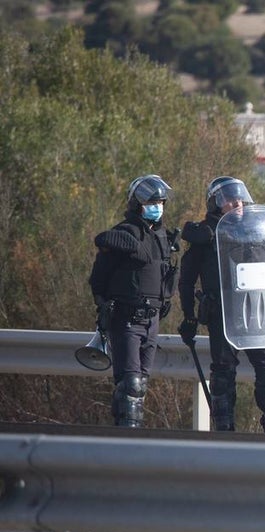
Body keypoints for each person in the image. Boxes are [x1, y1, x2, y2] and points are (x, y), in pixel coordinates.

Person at [178, 176, 265, 433]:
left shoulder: (257, 233)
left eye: (239, 197)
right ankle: (224, 433)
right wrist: (189, 317)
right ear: (217, 204)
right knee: (223, 375)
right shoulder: (204, 238)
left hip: (257, 315)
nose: (236, 203)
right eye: (228, 199)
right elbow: (186, 281)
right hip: (223, 316)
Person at [89, 174, 177, 428]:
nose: (157, 206)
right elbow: (99, 277)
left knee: (139, 385)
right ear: (137, 204)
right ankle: (128, 443)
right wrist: (102, 304)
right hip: (128, 317)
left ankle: (122, 440)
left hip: (152, 321)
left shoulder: (161, 238)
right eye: (152, 202)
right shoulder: (124, 234)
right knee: (131, 385)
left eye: (160, 202)